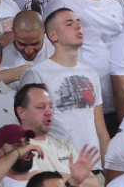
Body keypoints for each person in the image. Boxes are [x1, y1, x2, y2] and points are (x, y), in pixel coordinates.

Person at [21, 8, 111, 158]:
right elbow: (30, 128)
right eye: (69, 24)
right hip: (58, 168)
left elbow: (100, 129)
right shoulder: (37, 74)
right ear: (53, 35)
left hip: (93, 167)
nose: (77, 27)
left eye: (78, 23)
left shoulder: (91, 73)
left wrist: (108, 167)